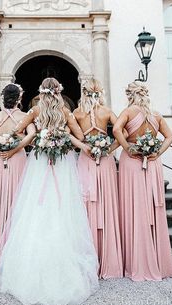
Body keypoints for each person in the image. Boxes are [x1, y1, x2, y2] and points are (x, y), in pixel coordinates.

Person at [0, 78, 99, 305]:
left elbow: (17, 131)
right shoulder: (65, 110)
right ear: (58, 92)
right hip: (62, 164)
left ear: (41, 92)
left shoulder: (34, 110)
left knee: (35, 208)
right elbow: (81, 136)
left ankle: (27, 269)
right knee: (63, 209)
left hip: (39, 162)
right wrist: (63, 137)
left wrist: (31, 138)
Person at [113, 81, 172, 281]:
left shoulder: (128, 111)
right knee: (150, 206)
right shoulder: (155, 114)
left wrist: (128, 147)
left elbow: (115, 130)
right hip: (153, 163)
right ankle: (156, 259)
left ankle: (136, 260)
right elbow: (170, 137)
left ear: (130, 95)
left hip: (132, 163)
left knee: (134, 207)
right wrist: (158, 152)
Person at [0, 84, 35, 275]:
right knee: (18, 202)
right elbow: (33, 134)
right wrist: (16, 148)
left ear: (3, 98)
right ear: (19, 99)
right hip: (17, 159)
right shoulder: (24, 116)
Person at [74, 79, 123, 279]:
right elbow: (122, 133)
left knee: (85, 205)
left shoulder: (77, 113)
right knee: (106, 203)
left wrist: (84, 147)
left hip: (86, 159)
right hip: (105, 161)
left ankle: (87, 258)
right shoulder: (107, 111)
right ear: (100, 92)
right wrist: (109, 150)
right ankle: (108, 256)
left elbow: (70, 136)